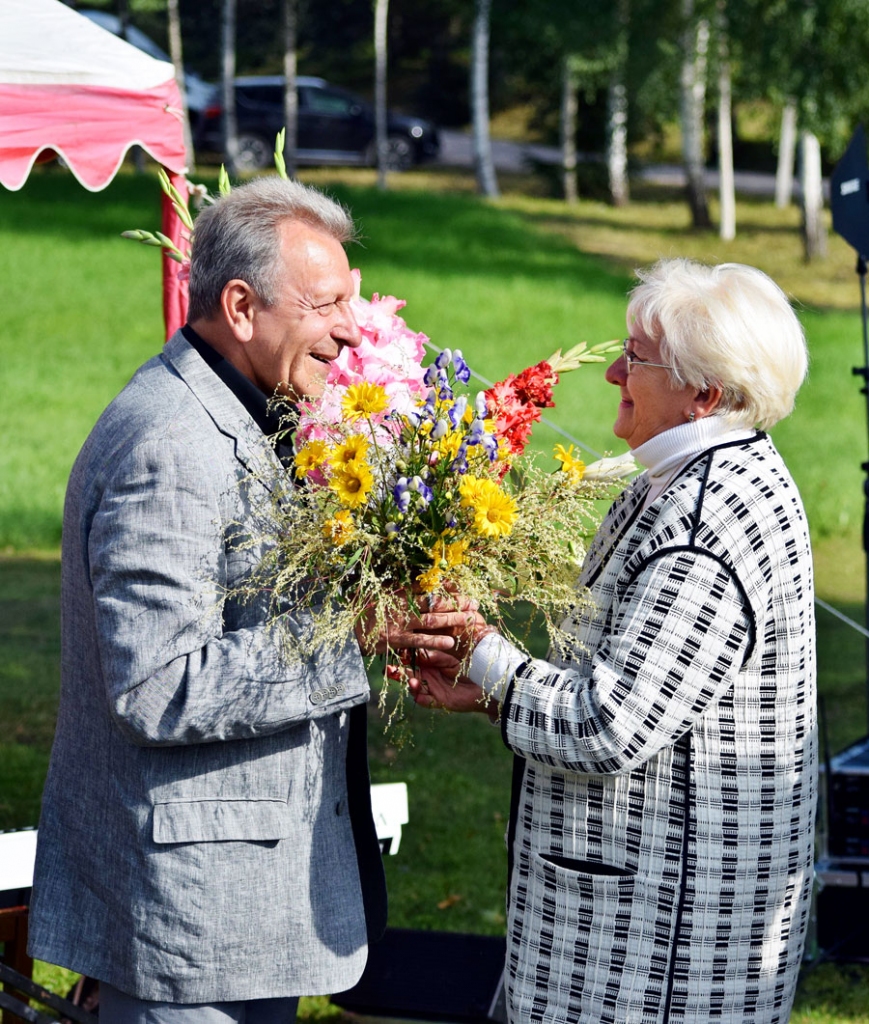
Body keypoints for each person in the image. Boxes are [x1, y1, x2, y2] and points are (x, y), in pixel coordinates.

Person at [28, 176, 468, 1023]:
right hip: (191, 924)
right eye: (326, 304)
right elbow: (156, 687)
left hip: (237, 910)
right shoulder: (169, 442)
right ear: (239, 306)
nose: (350, 328)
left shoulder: (246, 411)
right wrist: (349, 632)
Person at [407, 259, 818, 1024]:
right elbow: (646, 696)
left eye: (636, 358)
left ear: (704, 393)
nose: (613, 374)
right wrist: (489, 694)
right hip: (644, 927)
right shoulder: (686, 481)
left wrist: (482, 653)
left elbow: (609, 725)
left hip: (658, 952)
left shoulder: (704, 521)